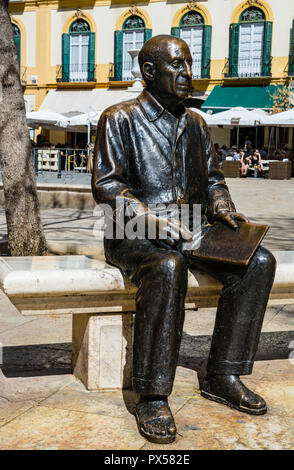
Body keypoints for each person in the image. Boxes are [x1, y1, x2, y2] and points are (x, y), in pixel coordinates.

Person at [92, 35, 276, 444]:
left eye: (189, 64)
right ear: (149, 72)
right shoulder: (119, 118)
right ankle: (153, 394)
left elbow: (213, 179)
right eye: (177, 66)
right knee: (167, 267)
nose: (187, 74)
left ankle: (224, 374)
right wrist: (148, 219)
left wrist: (222, 204)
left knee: (258, 261)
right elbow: (107, 187)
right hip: (132, 230)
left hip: (193, 226)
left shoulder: (195, 122)